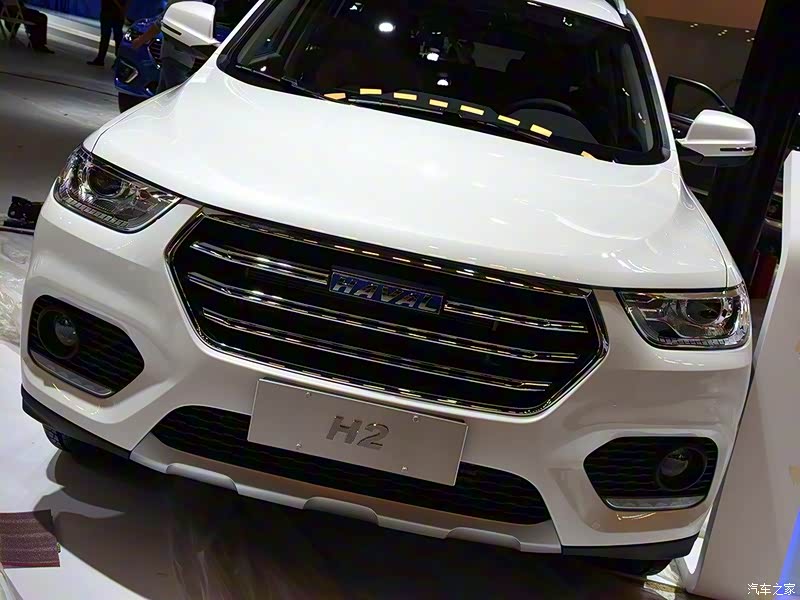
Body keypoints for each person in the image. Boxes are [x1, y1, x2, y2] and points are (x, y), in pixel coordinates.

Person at [131, 0, 195, 92]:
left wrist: (140, 40)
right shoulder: (197, 4)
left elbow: (160, 23)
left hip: (176, 57)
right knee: (163, 93)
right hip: (179, 57)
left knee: (172, 94)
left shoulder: (180, 3)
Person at [87, 0, 128, 66]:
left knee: (107, 37)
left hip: (109, 12)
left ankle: (101, 59)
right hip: (116, 12)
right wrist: (123, 10)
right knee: (117, 38)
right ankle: (118, 61)